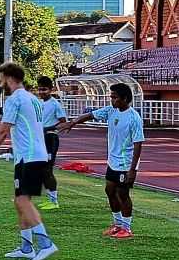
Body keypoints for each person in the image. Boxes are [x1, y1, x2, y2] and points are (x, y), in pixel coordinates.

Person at [0, 62, 58, 260]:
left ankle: (46, 244)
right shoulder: (33, 98)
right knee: (19, 200)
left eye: (0, 77)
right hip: (34, 155)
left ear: (9, 78)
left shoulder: (15, 99)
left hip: (29, 157)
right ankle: (26, 248)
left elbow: (3, 131)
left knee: (22, 201)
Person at [59, 83, 144, 239]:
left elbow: (138, 144)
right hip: (112, 161)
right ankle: (117, 225)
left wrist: (133, 170)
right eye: (111, 97)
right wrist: (73, 123)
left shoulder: (134, 118)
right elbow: (90, 115)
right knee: (109, 191)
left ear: (125, 98)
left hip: (125, 164)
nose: (112, 100)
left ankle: (127, 228)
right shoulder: (111, 110)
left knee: (122, 194)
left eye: (115, 97)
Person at [36, 76, 67, 211]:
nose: (41, 92)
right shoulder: (39, 103)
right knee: (42, 170)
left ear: (51, 90)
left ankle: (54, 201)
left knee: (48, 170)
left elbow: (63, 121)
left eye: (44, 90)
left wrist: (47, 128)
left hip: (50, 139)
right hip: (40, 139)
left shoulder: (55, 104)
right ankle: (50, 198)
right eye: (40, 89)